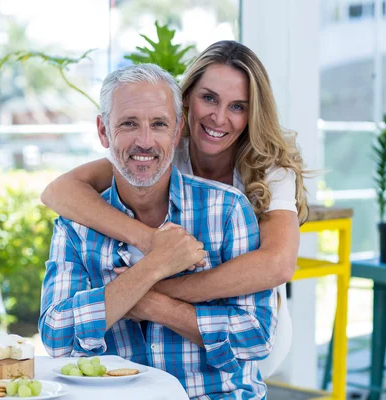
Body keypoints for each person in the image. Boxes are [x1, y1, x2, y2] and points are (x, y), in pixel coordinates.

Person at [41, 40, 308, 377]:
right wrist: (152, 244)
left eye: (238, 106)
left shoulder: (263, 170)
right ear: (186, 101)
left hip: (243, 320)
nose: (219, 117)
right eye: (209, 98)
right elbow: (58, 192)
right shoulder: (155, 149)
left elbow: (277, 265)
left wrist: (145, 292)